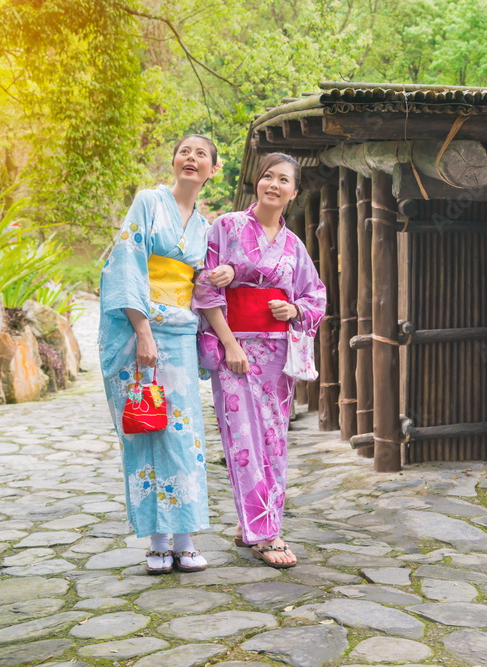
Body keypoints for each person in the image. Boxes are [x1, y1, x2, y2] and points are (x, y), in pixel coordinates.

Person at [98, 135, 234, 575]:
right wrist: (141, 330)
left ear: (213, 169)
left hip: (178, 334)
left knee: (184, 434)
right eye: (184, 151)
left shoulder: (205, 227)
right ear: (174, 161)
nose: (191, 158)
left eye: (201, 155)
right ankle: (158, 541)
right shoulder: (148, 203)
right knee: (146, 428)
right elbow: (125, 262)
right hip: (140, 329)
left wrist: (222, 273)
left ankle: (186, 538)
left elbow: (204, 287)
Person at [193, 152, 325, 568]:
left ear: (294, 192)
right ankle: (266, 534)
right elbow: (204, 288)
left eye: (283, 180)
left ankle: (251, 521)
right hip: (235, 348)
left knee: (273, 441)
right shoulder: (226, 226)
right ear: (257, 181)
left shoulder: (294, 245)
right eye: (267, 176)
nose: (273, 184)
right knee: (242, 440)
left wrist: (296, 311)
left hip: (276, 354)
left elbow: (315, 295)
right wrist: (230, 344)